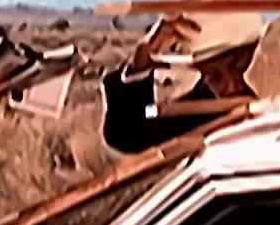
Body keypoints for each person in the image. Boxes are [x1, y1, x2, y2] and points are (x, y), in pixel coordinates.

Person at [100, 9, 264, 156]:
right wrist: (139, 69)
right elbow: (128, 131)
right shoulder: (204, 109)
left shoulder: (279, 90)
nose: (231, 86)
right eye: (215, 77)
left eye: (240, 66)